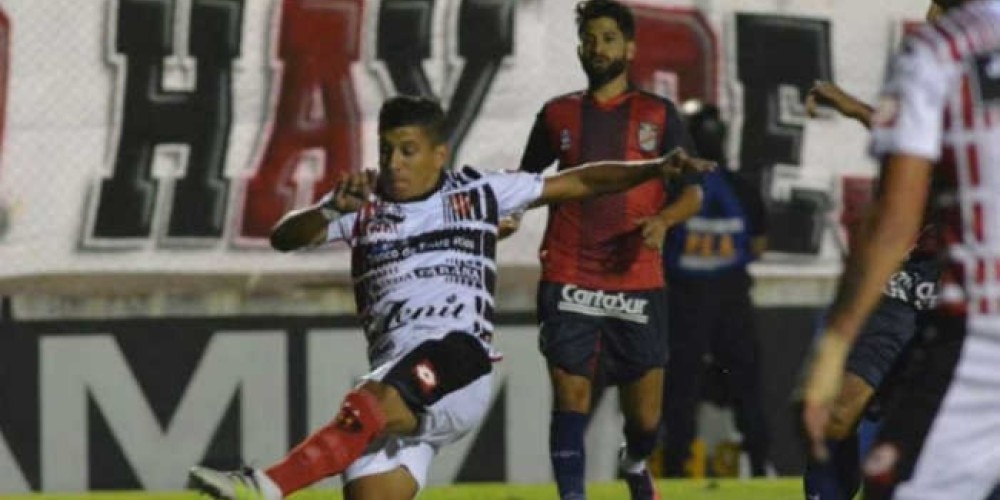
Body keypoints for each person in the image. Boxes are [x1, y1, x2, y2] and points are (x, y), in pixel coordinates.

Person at [186, 96, 712, 500]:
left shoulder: (478, 193)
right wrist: (326, 213)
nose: (394, 162)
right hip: (394, 380)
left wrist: (651, 169)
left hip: (458, 364)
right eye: (386, 148)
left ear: (441, 153)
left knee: (367, 403)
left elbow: (580, 181)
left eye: (408, 150)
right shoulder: (359, 205)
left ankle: (265, 485)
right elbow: (282, 238)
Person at [800, 0, 1000, 498]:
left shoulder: (942, 53)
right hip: (923, 279)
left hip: (975, 304)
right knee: (837, 415)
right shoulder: (940, 56)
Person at [513, 1, 703, 499]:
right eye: (591, 39)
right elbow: (525, 183)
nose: (598, 48)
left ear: (630, 47)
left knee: (646, 419)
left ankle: (635, 461)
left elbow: (692, 192)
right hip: (569, 272)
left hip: (637, 278)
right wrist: (507, 218)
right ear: (580, 47)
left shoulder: (658, 115)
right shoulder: (557, 114)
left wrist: (664, 220)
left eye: (609, 38)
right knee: (572, 394)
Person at [659, 101, 771, 478]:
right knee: (746, 387)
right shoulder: (742, 189)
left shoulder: (673, 190)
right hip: (732, 302)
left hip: (684, 305)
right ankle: (758, 466)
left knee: (681, 391)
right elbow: (757, 247)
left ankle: (676, 471)